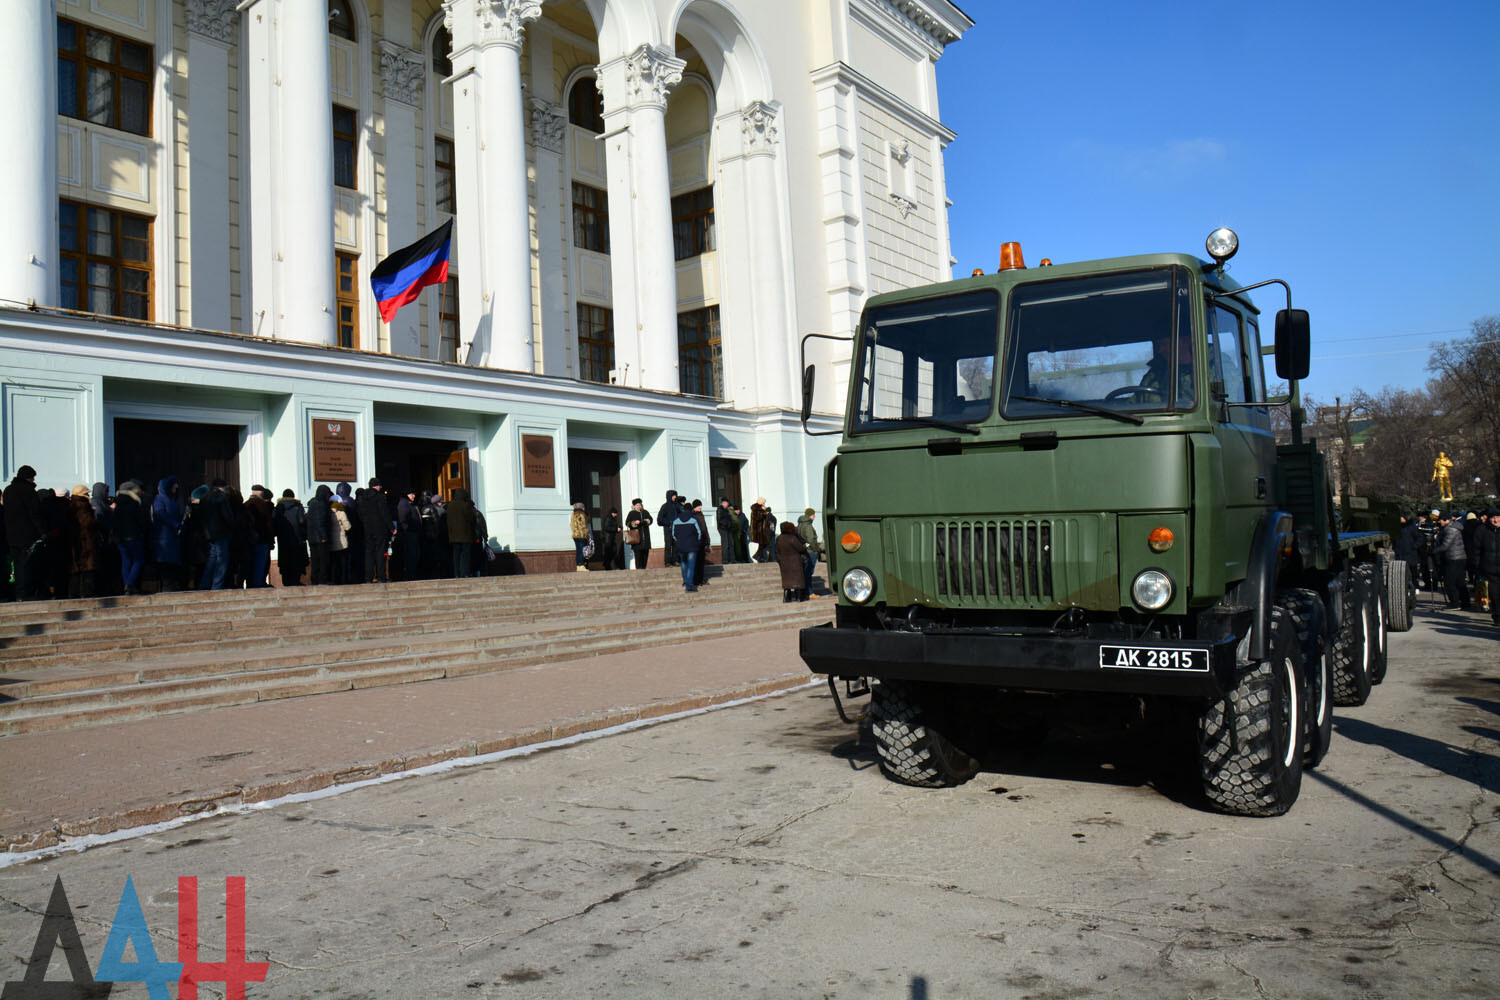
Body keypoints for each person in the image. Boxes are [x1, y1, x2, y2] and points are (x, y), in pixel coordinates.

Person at [4, 465, 44, 601]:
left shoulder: (8, 490)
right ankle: (26, 593)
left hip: (11, 535)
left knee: (17, 565)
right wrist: (42, 532)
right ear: (28, 478)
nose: (33, 480)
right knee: (28, 565)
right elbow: (35, 514)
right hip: (28, 535)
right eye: (32, 477)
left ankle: (19, 593)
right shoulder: (29, 491)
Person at [111, 479, 149, 595]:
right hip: (133, 537)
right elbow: (140, 522)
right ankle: (130, 583)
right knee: (138, 560)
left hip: (120, 539)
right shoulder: (134, 504)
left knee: (126, 562)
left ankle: (127, 585)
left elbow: (114, 522)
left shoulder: (118, 505)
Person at [1138, 330, 1195, 406]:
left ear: (1184, 341)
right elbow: (1135, 405)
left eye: (1164, 344)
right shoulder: (1153, 377)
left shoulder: (1212, 368)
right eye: (1159, 346)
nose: (1160, 350)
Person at [151, 476, 185, 591]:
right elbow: (160, 513)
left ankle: (171, 586)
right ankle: (166, 588)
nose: (175, 491)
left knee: (172, 564)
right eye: (174, 488)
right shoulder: (159, 499)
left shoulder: (172, 500)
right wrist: (174, 524)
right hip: (163, 537)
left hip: (172, 537)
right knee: (166, 564)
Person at [64, 484, 98, 598]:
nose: (88, 496)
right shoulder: (84, 506)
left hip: (72, 541)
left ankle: (74, 592)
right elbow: (88, 523)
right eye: (86, 493)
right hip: (85, 540)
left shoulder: (69, 506)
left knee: (74, 567)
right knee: (88, 566)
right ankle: (87, 592)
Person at [200, 480, 234, 590]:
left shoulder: (204, 498)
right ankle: (216, 586)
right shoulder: (221, 497)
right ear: (221, 487)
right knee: (222, 560)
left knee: (212, 558)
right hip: (221, 532)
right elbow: (227, 516)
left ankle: (204, 585)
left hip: (209, 533)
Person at [358, 477, 393, 583]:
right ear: (376, 486)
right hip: (380, 528)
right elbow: (384, 513)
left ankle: (368, 577)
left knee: (369, 553)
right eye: (379, 485)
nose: (381, 487)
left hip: (368, 528)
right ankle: (381, 577)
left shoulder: (362, 498)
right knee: (380, 552)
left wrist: (365, 523)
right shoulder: (380, 497)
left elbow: (360, 514)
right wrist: (391, 527)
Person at [1436, 511, 1470, 611]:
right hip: (1459, 557)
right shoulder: (1454, 527)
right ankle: (1465, 602)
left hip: (1454, 558)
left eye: (1440, 520)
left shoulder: (1450, 529)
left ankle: (1455, 603)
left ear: (1446, 520)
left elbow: (1445, 545)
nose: (1439, 522)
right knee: (1460, 581)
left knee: (1449, 581)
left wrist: (1434, 550)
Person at [273, 489, 308, 585]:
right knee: (296, 559)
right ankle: (295, 581)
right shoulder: (298, 506)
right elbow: (301, 521)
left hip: (282, 539)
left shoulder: (278, 508)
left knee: (285, 560)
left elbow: (274, 522)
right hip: (297, 538)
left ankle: (286, 581)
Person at [447, 487, 480, 578]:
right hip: (465, 535)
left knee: (456, 556)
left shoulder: (450, 505)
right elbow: (471, 519)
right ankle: (465, 573)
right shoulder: (465, 505)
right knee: (466, 555)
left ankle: (456, 573)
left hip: (453, 536)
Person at [1475, 509, 1500, 626]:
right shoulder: (1482, 530)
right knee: (1494, 595)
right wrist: (1477, 566)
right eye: (1493, 518)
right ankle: (1497, 616)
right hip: (1489, 569)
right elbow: (1476, 550)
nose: (1496, 520)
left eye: (1498, 517)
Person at [670, 502, 702, 592]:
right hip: (692, 545)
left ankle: (685, 580)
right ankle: (689, 586)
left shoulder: (676, 520)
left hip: (680, 546)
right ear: (691, 509)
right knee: (691, 566)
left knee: (684, 564)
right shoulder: (694, 519)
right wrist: (697, 542)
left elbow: (673, 534)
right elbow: (699, 533)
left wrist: (678, 542)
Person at [775, 520, 810, 602]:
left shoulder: (779, 538)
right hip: (795, 562)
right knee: (798, 580)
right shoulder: (792, 538)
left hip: (784, 563)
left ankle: (786, 598)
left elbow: (777, 550)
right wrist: (805, 546)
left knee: (786, 582)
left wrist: (779, 560)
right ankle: (799, 597)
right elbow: (800, 548)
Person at [306, 485, 334, 585]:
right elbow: (320, 521)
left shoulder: (312, 504)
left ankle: (315, 579)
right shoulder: (321, 504)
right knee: (323, 560)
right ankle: (322, 579)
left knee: (315, 560)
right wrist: (323, 536)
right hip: (320, 538)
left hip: (312, 537)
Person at [396, 488, 422, 581]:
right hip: (409, 533)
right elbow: (403, 519)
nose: (414, 496)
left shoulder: (409, 504)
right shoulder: (404, 503)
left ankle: (412, 574)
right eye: (412, 494)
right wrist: (409, 527)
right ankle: (410, 575)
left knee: (414, 554)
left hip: (412, 533)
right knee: (411, 555)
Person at [797, 507, 822, 596]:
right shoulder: (808, 525)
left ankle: (805, 591)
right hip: (810, 551)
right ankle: (810, 593)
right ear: (811, 515)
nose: (814, 516)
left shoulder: (800, 524)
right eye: (814, 515)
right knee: (808, 573)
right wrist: (816, 550)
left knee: (805, 572)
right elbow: (811, 539)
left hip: (803, 551)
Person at [329, 491, 353, 585]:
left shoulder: (328, 512)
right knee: (343, 563)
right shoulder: (341, 513)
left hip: (331, 543)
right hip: (342, 542)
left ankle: (334, 580)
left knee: (334, 564)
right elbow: (347, 527)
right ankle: (343, 581)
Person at [1394, 512, 1422, 592]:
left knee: (1413, 571)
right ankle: (1402, 587)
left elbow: (1419, 538)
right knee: (1401, 571)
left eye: (1401, 517)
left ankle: (1415, 586)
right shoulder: (1398, 527)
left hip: (1410, 553)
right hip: (1400, 552)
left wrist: (1414, 546)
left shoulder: (1412, 527)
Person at [625, 498, 652, 570]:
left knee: (645, 554)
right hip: (636, 539)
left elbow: (650, 520)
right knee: (638, 555)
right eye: (637, 505)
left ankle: (644, 568)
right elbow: (627, 523)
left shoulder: (645, 512)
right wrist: (634, 523)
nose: (639, 506)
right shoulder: (631, 513)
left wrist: (643, 522)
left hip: (645, 538)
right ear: (634, 506)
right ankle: (639, 569)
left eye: (640, 505)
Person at [657, 490, 682, 566]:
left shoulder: (677, 506)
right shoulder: (665, 506)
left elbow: (682, 514)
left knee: (676, 545)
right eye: (673, 495)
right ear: (669, 496)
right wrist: (669, 522)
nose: (675, 497)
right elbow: (659, 519)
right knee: (668, 545)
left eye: (675, 495)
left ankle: (675, 560)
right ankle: (667, 562)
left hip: (677, 529)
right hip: (668, 529)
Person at [690, 500, 711, 587]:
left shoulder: (701, 515)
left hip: (702, 541)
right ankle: (695, 580)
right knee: (696, 562)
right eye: (699, 506)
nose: (700, 507)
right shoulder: (692, 515)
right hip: (695, 541)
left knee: (701, 562)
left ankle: (701, 579)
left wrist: (708, 540)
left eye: (700, 506)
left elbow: (705, 528)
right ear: (695, 507)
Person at [570, 501, 591, 571]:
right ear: (582, 507)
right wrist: (586, 534)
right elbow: (583, 525)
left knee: (578, 551)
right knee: (582, 551)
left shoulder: (573, 514)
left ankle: (578, 566)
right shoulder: (581, 514)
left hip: (575, 535)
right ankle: (581, 565)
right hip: (581, 535)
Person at [716, 499, 737, 564]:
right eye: (727, 503)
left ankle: (732, 559)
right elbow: (720, 520)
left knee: (731, 544)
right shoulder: (720, 510)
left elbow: (729, 519)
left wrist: (731, 525)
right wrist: (727, 524)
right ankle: (725, 560)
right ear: (724, 503)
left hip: (729, 529)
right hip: (723, 529)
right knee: (725, 544)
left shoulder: (726, 510)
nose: (728, 505)